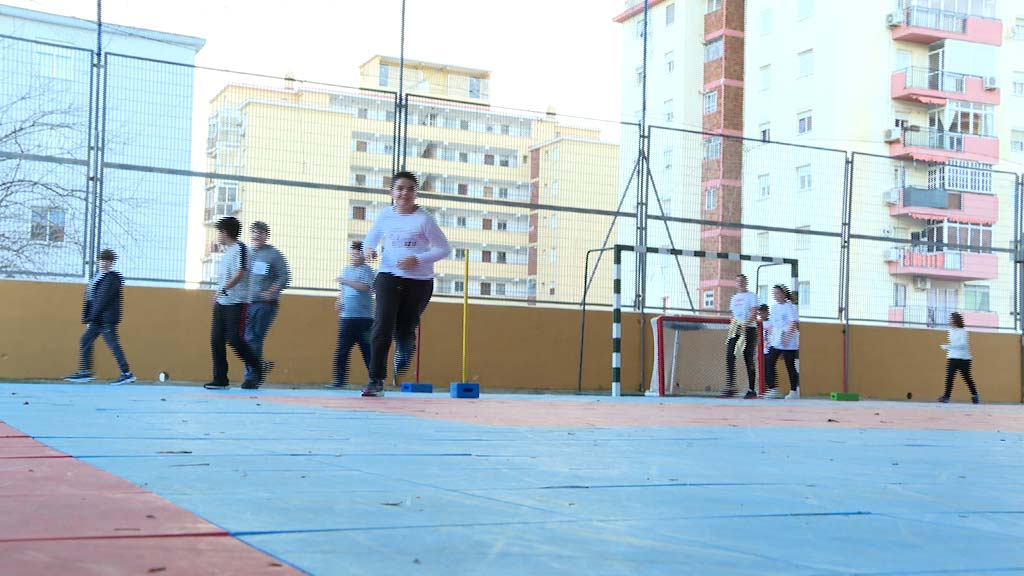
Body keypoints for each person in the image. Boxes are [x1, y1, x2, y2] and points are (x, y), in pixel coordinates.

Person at [361, 171, 450, 397]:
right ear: (392, 192)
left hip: (419, 282)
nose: (404, 193)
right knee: (382, 326)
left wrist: (417, 259)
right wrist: (369, 250)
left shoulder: (424, 219)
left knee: (404, 329)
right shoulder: (385, 215)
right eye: (400, 188)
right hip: (388, 276)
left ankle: (405, 346)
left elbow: (444, 249)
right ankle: (375, 380)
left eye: (410, 189)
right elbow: (369, 241)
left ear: (415, 194)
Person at [205, 216, 262, 390]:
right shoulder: (227, 252)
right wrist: (219, 294)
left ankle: (258, 366)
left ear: (225, 232)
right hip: (222, 303)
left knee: (234, 339)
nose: (218, 235)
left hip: (237, 302)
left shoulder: (241, 249)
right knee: (216, 340)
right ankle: (220, 379)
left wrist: (223, 290)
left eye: (219, 232)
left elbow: (241, 272)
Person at [63, 249, 135, 385]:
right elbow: (90, 298)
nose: (103, 263)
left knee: (113, 345)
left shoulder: (111, 278)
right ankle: (85, 372)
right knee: (85, 339)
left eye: (107, 261)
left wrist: (91, 318)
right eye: (101, 260)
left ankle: (126, 373)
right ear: (98, 261)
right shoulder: (98, 276)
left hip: (105, 319)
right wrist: (90, 317)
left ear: (111, 263)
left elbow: (102, 300)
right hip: (98, 319)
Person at [244, 221, 290, 386]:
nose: (257, 235)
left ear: (266, 236)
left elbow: (284, 276)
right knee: (245, 339)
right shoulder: (246, 253)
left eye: (261, 233)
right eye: (254, 232)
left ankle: (252, 377)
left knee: (252, 338)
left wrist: (272, 291)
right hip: (246, 303)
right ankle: (258, 368)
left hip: (264, 304)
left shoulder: (273, 254)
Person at [327, 241, 375, 389]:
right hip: (346, 318)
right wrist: (339, 301)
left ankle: (374, 380)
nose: (354, 256)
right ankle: (339, 379)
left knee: (367, 350)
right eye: (352, 253)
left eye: (357, 254)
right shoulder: (346, 270)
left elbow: (365, 287)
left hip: (364, 319)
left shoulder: (367, 271)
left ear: (363, 256)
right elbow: (342, 290)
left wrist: (345, 281)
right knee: (342, 349)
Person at [723, 274, 758, 399]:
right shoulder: (734, 298)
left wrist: (745, 323)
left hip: (749, 328)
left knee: (748, 358)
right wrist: (733, 325)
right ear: (736, 283)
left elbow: (754, 314)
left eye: (742, 281)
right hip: (736, 328)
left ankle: (752, 390)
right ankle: (731, 387)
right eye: (738, 281)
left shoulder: (752, 296)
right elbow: (733, 315)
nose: (740, 283)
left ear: (746, 282)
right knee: (730, 355)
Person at [764, 284, 799, 399]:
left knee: (790, 365)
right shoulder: (774, 307)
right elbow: (773, 325)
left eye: (778, 293)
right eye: (774, 293)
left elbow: (793, 323)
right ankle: (773, 389)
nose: (775, 296)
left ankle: (794, 391)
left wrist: (787, 337)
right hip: (777, 340)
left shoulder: (789, 307)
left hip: (788, 341)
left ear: (784, 295)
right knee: (769, 362)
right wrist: (769, 338)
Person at [938, 312, 979, 404]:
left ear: (956, 320)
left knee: (966, 377)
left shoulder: (963, 331)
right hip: (952, 357)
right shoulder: (951, 331)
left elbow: (963, 345)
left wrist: (949, 347)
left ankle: (975, 395)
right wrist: (949, 347)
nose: (949, 321)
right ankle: (946, 397)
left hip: (964, 359)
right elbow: (954, 344)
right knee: (949, 377)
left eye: (951, 319)